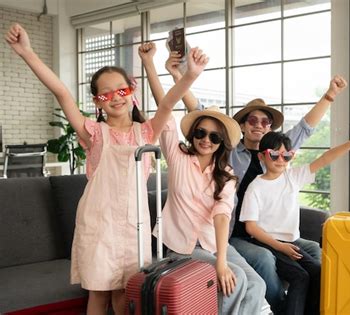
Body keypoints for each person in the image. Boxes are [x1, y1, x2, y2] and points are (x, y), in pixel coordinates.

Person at [5, 23, 207, 315]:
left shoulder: (146, 132)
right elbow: (62, 92)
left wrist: (190, 75)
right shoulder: (93, 133)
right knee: (98, 295)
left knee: (125, 295)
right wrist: (27, 52)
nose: (116, 97)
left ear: (132, 92)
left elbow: (168, 104)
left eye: (122, 90)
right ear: (97, 101)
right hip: (99, 226)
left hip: (134, 227)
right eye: (106, 94)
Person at [164, 49, 348, 313]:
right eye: (252, 119)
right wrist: (179, 75)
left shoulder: (275, 153)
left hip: (270, 231)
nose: (259, 125)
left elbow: (305, 128)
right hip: (239, 233)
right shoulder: (228, 152)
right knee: (262, 257)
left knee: (314, 250)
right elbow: (200, 113)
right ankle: (281, 307)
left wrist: (329, 95)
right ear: (241, 125)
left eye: (266, 121)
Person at [142, 43, 266, 315]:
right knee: (237, 280)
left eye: (214, 136)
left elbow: (221, 215)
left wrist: (221, 260)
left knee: (257, 285)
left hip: (213, 244)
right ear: (192, 134)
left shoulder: (227, 175)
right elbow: (165, 107)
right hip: (180, 246)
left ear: (222, 142)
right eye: (200, 133)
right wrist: (150, 64)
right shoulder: (177, 157)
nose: (206, 140)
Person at [239, 130, 350, 314]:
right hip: (267, 242)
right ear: (262, 156)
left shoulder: (292, 177)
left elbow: (325, 158)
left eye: (286, 156)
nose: (280, 160)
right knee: (300, 277)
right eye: (274, 155)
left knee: (319, 272)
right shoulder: (255, 187)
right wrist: (280, 247)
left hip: (291, 243)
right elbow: (251, 227)